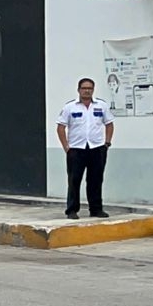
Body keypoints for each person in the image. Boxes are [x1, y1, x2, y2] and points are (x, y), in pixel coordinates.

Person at [56, 76, 115, 220]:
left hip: (97, 148)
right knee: (74, 180)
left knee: (95, 180)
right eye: (84, 88)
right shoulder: (70, 107)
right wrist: (66, 148)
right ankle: (72, 210)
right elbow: (60, 127)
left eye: (89, 88)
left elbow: (109, 124)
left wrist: (106, 143)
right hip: (76, 149)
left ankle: (96, 209)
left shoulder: (101, 106)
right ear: (78, 90)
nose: (87, 91)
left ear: (93, 90)